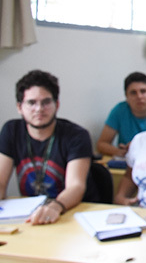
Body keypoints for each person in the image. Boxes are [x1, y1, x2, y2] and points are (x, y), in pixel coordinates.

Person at [0, 70, 91, 225]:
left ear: (57, 105)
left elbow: (75, 186)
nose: (39, 109)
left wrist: (55, 207)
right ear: (19, 107)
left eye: (46, 102)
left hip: (70, 214)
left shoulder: (77, 135)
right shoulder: (11, 130)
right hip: (29, 217)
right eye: (31, 102)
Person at [96, 72, 146, 157]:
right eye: (133, 93)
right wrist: (120, 152)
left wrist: (137, 145)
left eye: (143, 91)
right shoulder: (119, 110)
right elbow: (101, 144)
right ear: (126, 96)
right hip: (127, 162)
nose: (139, 96)